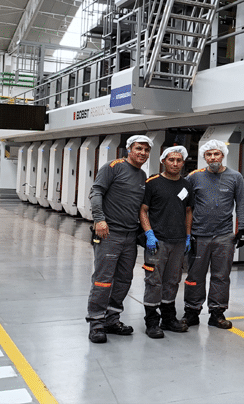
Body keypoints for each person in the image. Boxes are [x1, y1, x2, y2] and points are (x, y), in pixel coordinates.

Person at [86, 135, 152, 343]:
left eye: (146, 150)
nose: (142, 153)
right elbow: (96, 191)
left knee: (124, 280)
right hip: (109, 233)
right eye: (138, 148)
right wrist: (99, 219)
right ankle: (96, 323)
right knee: (103, 280)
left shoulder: (142, 176)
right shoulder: (112, 167)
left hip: (130, 236)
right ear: (129, 149)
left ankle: (112, 319)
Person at [182, 139, 244, 330]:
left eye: (216, 154)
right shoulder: (194, 177)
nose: (212, 157)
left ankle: (217, 314)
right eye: (209, 154)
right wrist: (185, 233)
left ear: (223, 155)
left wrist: (241, 229)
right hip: (198, 235)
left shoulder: (235, 177)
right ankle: (192, 312)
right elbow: (185, 206)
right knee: (195, 275)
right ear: (204, 157)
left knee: (221, 276)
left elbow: (242, 204)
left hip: (224, 236)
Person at [138, 146, 193, 339]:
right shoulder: (152, 183)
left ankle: (169, 319)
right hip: (158, 242)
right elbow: (143, 210)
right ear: (163, 161)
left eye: (179, 160)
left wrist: (187, 236)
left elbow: (188, 212)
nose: (175, 163)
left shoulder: (186, 185)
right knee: (154, 282)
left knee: (172, 281)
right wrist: (149, 234)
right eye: (171, 160)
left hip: (178, 242)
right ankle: (152, 322)